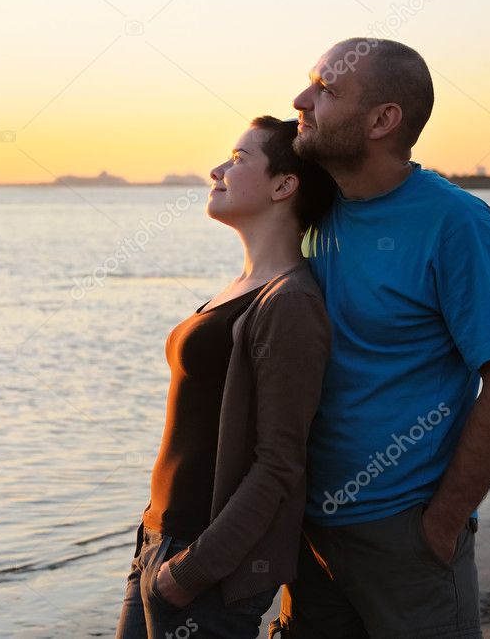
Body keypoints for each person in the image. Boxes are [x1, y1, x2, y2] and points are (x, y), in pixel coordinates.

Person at [269, 38, 490, 638]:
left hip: (405, 535)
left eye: (326, 89)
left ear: (383, 120)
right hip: (308, 533)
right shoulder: (314, 210)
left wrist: (442, 523)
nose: (300, 100)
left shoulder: (455, 222)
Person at [114, 116, 336, 639]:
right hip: (160, 542)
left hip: (203, 563)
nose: (217, 170)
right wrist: (153, 535)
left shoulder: (290, 302)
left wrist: (191, 572)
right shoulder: (243, 287)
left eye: (238, 159)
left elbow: (280, 463)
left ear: (285, 185)